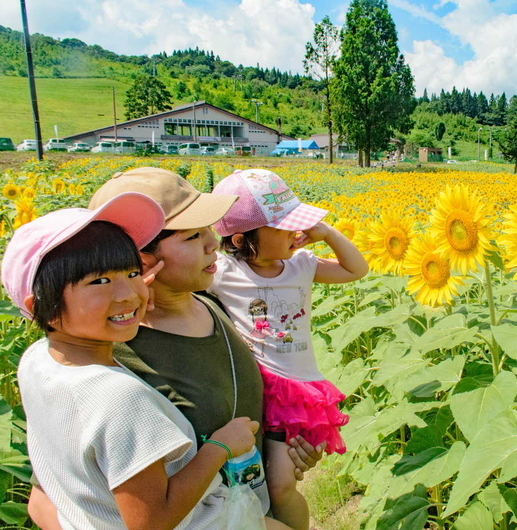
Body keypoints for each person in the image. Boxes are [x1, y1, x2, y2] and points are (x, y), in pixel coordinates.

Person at [26, 168, 323, 530]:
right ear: (140, 259)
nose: (213, 243)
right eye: (192, 236)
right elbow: (49, 497)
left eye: (210, 230)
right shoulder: (107, 356)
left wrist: (286, 449)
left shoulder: (215, 302)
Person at [1, 193, 262, 529]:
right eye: (99, 281)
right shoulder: (121, 399)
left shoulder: (37, 360)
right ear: (41, 307)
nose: (128, 293)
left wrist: (117, 306)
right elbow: (150, 522)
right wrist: (219, 448)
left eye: (131, 272)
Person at [208, 169, 369, 530]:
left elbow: (356, 270)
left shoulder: (301, 264)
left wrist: (325, 233)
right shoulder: (224, 271)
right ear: (239, 239)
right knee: (250, 478)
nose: (297, 233)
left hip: (293, 390)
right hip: (251, 385)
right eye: (283, 228)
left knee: (281, 485)